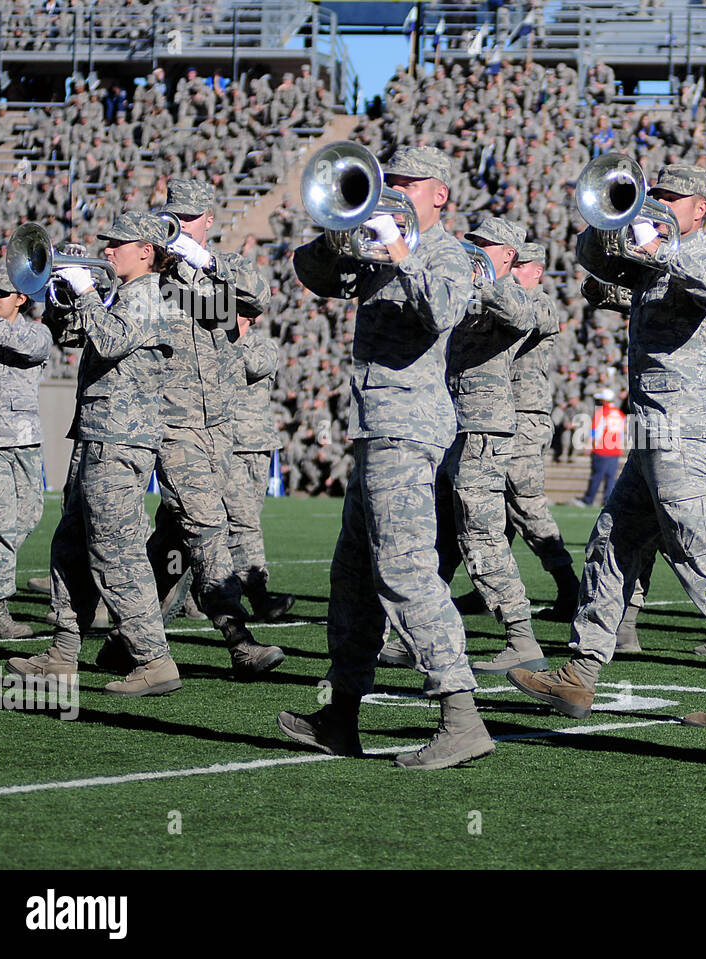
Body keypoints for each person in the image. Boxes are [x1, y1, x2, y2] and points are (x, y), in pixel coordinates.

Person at [508, 163, 706, 729]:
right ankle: (580, 675)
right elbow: (591, 254)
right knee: (610, 543)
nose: (655, 203)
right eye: (651, 195)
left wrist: (660, 249)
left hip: (683, 427)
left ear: (699, 209)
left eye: (669, 198)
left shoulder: (698, 251)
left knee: (696, 551)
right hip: (652, 430)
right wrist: (618, 231)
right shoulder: (651, 251)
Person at [282, 145, 494, 770]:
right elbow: (311, 273)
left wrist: (402, 251)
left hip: (409, 429)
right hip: (374, 428)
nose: (394, 191)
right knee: (352, 577)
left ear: (440, 196)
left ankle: (461, 715)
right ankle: (341, 715)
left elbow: (446, 310)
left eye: (408, 184)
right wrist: (342, 235)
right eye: (388, 181)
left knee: (403, 570)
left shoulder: (448, 253)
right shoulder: (374, 250)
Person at [8, 212, 180, 696]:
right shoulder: (119, 297)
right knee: (69, 547)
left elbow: (110, 340)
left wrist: (85, 292)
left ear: (146, 251)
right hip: (95, 436)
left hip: (120, 441)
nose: (106, 251)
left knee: (116, 551)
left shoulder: (150, 297)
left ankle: (153, 659)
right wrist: (63, 299)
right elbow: (72, 338)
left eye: (117, 244)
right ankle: (63, 652)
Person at [134, 178, 285, 681]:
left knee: (174, 531)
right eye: (172, 217)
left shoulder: (213, 274)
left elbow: (256, 294)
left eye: (190, 219)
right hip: (174, 422)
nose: (179, 226)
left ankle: (130, 633)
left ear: (208, 222)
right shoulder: (152, 274)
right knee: (205, 525)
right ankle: (238, 639)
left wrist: (204, 261)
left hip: (218, 426)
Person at [432, 216, 548, 676]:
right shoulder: (466, 291)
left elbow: (522, 316)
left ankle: (520, 636)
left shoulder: (518, 294)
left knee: (481, 533)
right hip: (448, 426)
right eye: (472, 243)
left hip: (484, 430)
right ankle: (411, 630)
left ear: (508, 255)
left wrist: (489, 278)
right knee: (439, 535)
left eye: (486, 246)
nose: (474, 250)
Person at [504, 242, 581, 619]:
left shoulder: (540, 302)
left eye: (520, 266)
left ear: (537, 270)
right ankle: (491, 590)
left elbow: (523, 321)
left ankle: (569, 587)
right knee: (485, 509)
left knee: (527, 503)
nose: (512, 271)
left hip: (524, 416)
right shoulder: (510, 297)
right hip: (498, 415)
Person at [0, 265, 50, 639]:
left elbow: (27, 347)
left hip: (23, 438)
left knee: (30, 513)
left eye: (1, 292)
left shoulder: (35, 332)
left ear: (21, 298)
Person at [224, 308, 295, 622]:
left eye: (237, 313)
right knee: (244, 523)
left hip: (258, 446)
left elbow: (254, 367)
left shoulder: (263, 346)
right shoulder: (215, 344)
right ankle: (259, 597)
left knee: (245, 519)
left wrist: (229, 341)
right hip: (228, 446)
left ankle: (205, 593)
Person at [580, 388, 624, 506]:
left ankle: (588, 499)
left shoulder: (602, 412)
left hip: (602, 449)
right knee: (611, 479)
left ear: (604, 401)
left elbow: (595, 431)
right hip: (615, 450)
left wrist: (589, 445)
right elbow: (622, 433)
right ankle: (608, 502)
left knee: (596, 476)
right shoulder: (619, 413)